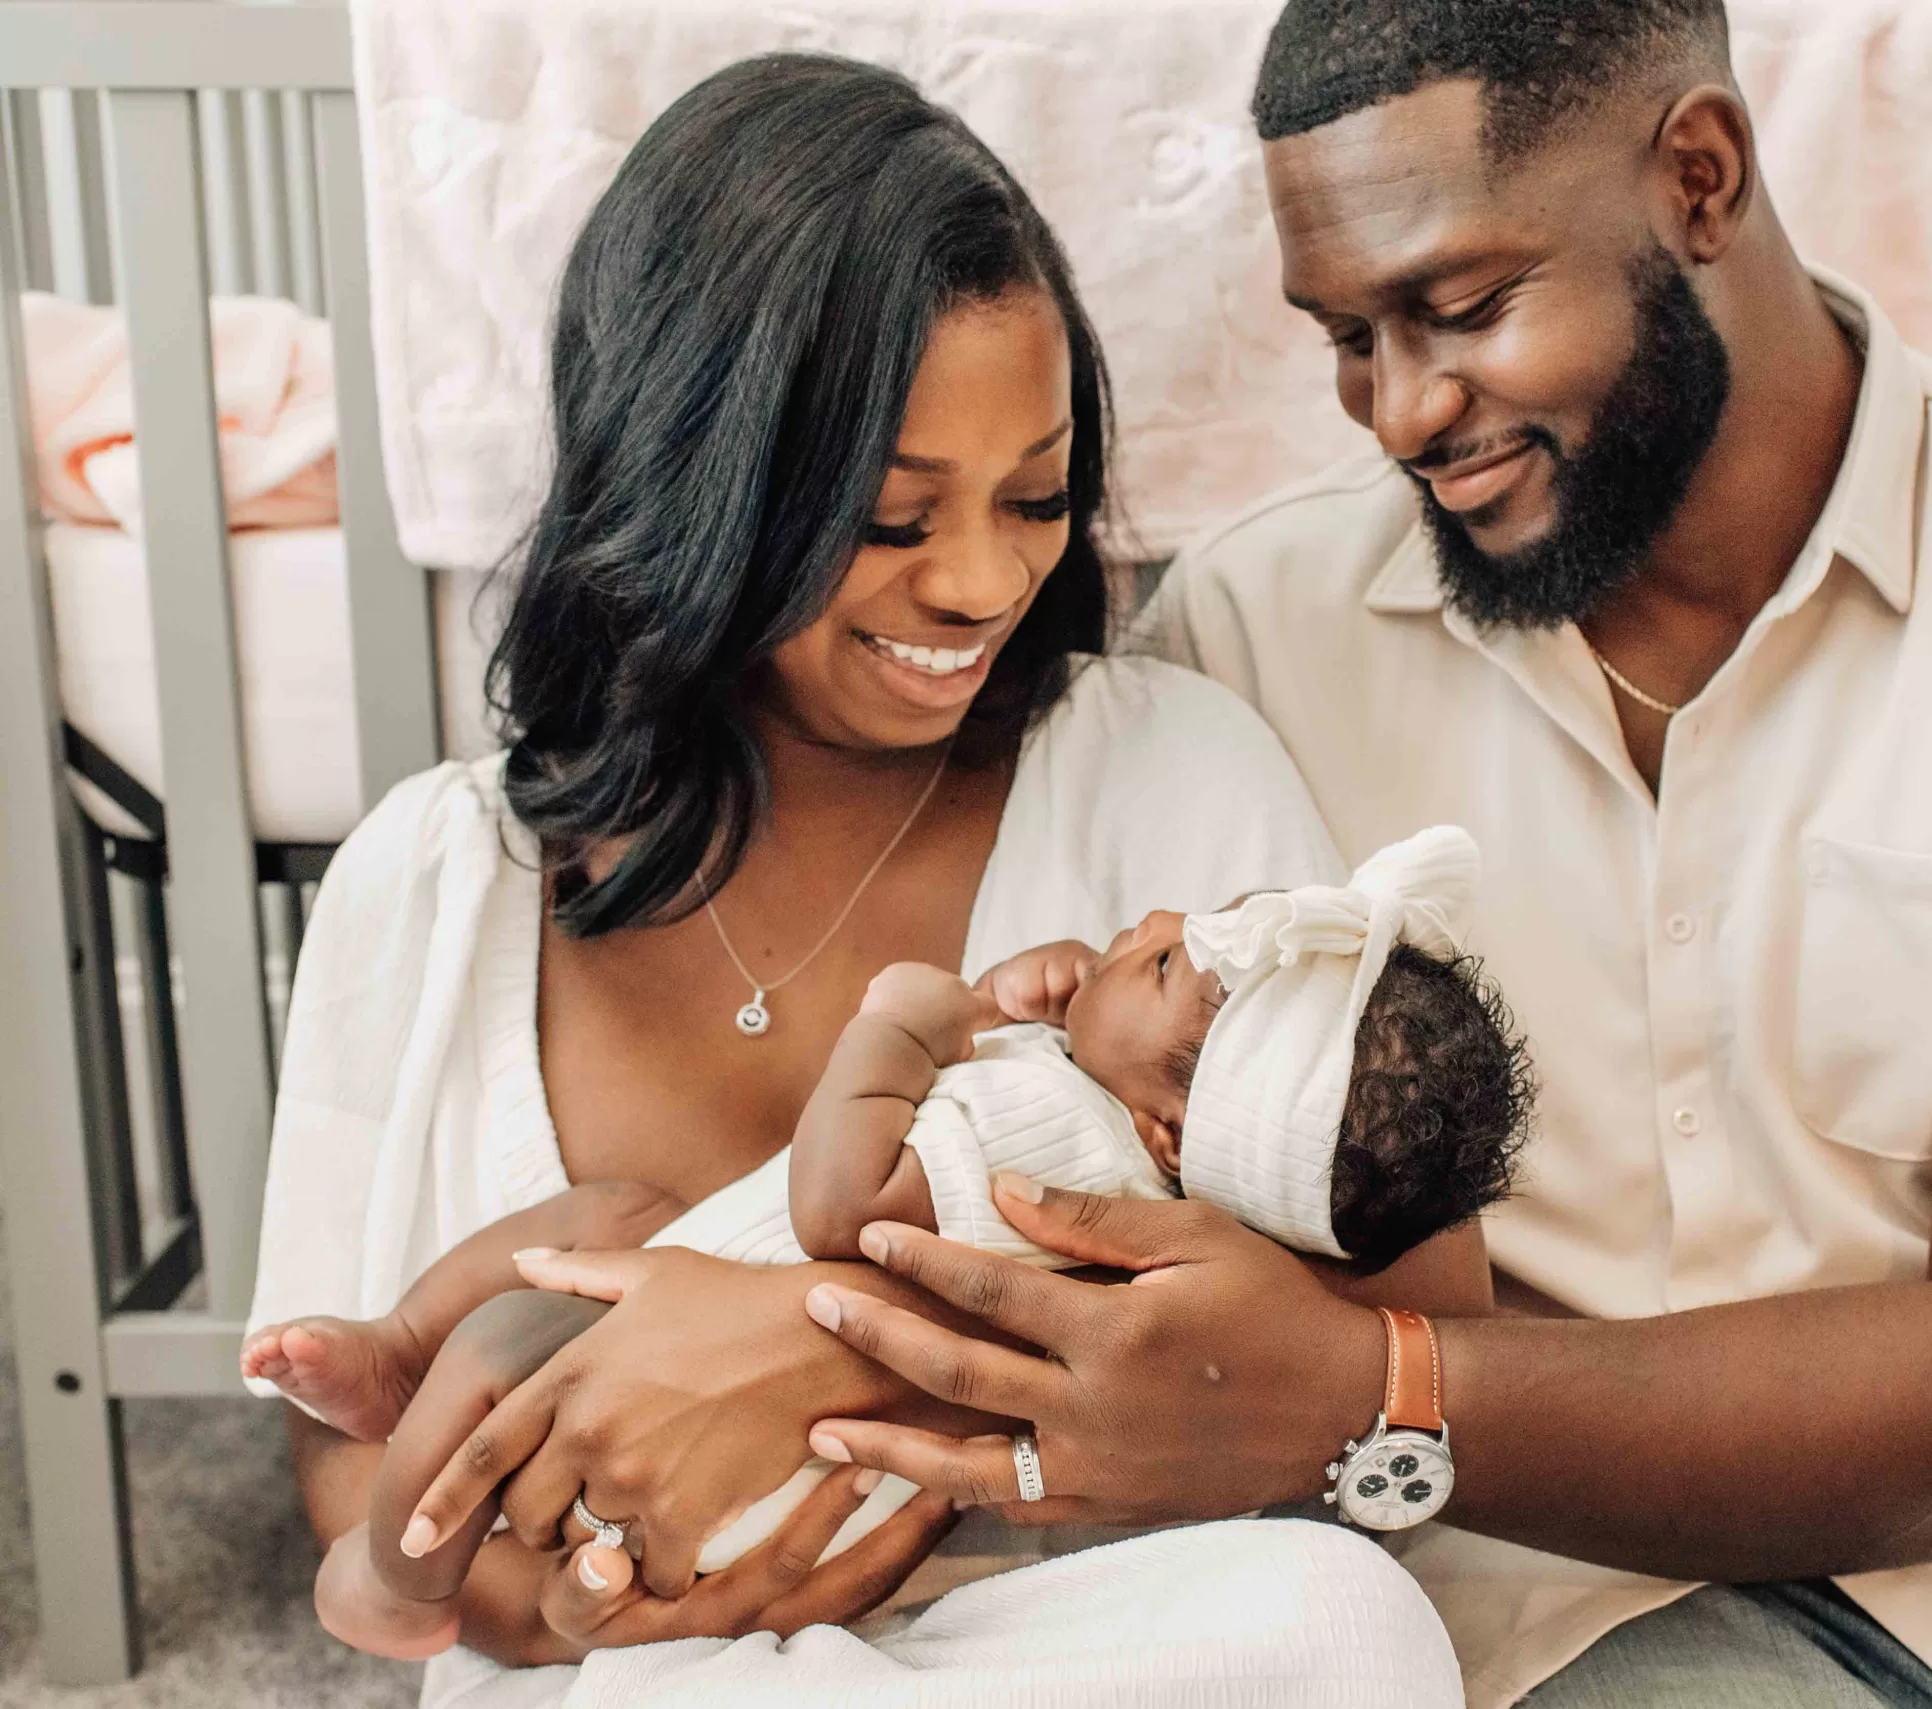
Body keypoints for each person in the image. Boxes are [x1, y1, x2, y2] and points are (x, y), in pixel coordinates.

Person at [402, 4, 1932, 1707]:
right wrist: (769, 1314)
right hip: (1566, 1606)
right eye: (1340, 336)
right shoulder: (1246, 634)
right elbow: (1055, 1143)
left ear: (1696, 176)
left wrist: (1363, 1384)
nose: (1399, 411)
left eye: (1460, 305)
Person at [243, 50, 1463, 1708]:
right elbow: (354, 1494)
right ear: (700, 487)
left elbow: (1409, 1304)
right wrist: (588, 1612)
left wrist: (828, 1349)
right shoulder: (430, 884)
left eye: (1035, 497)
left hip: (1060, 1627)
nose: (980, 582)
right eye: (893, 521)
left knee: (1347, 1622)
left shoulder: (1167, 772)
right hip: (632, 1674)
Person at [249, 830, 1527, 1658]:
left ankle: (394, 1574)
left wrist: (904, 1028)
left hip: (711, 1436)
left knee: (514, 1327)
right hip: (723, 1412)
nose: (1141, 917)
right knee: (617, 1217)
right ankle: (404, 1362)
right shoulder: (1169, 1172)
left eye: (1157, 962)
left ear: (1167, 1124)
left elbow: (843, 1210)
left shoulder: (1053, 1130)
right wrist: (1070, 999)